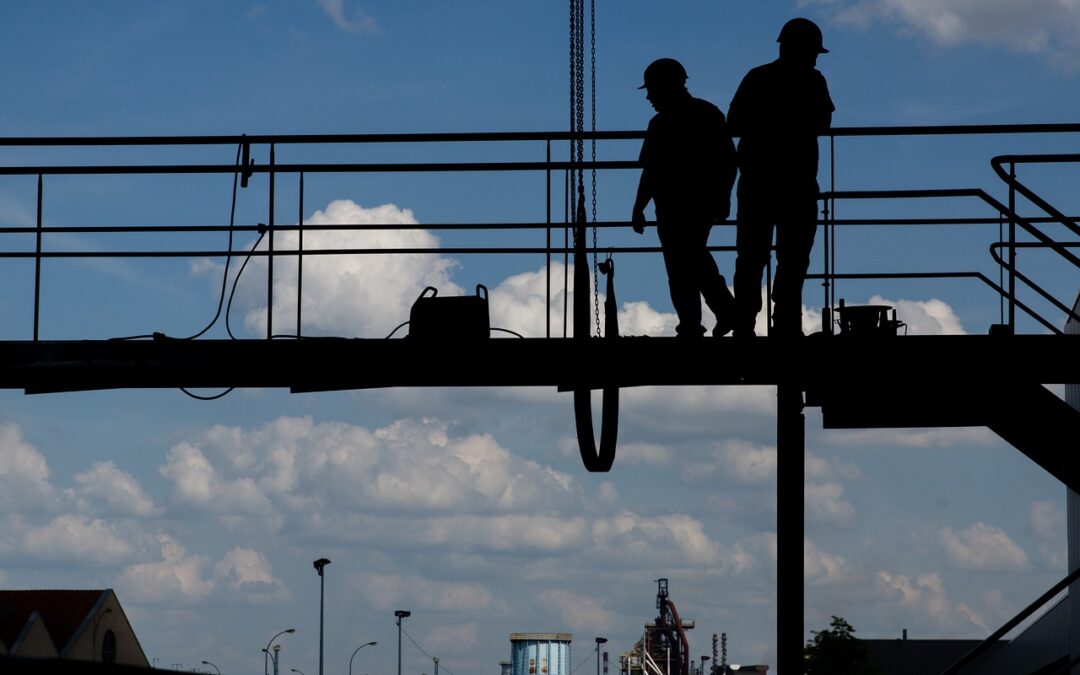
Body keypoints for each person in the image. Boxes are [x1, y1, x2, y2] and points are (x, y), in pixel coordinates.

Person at [728, 17, 834, 337]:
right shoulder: (813, 81)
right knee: (794, 257)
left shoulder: (758, 77)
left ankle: (745, 323)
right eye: (813, 51)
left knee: (751, 257)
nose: (815, 57)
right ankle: (786, 322)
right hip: (797, 183)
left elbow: (733, 123)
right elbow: (823, 123)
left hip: (758, 182)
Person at [631, 58, 738, 338]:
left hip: (676, 205)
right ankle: (716, 315)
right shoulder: (706, 114)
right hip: (694, 203)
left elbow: (651, 171)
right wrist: (724, 198)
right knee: (691, 259)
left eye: (652, 90)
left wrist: (639, 207)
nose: (649, 97)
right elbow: (728, 161)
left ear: (667, 87)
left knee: (683, 263)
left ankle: (700, 321)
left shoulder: (662, 123)